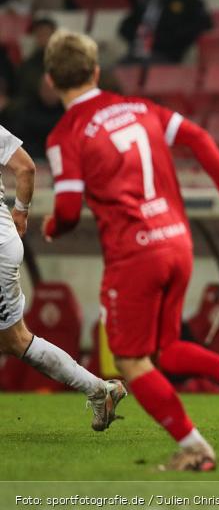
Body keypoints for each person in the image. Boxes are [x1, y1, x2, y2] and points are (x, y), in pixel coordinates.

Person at [41, 30, 219, 471]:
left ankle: (195, 447)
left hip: (135, 254)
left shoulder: (65, 133)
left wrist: (52, 225)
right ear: (95, 71)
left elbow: (69, 210)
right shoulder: (140, 107)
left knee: (131, 359)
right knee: (164, 347)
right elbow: (200, 138)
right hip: (177, 241)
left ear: (50, 81)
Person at [0, 124, 126, 432]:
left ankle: (99, 390)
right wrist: (20, 212)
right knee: (16, 341)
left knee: (16, 340)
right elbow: (27, 168)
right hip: (5, 242)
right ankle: (100, 390)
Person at [118, 0, 212, 64]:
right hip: (140, 52)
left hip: (168, 55)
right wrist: (136, 37)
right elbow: (126, 25)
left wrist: (172, 38)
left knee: (143, 66)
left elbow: (204, 23)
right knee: (116, 70)